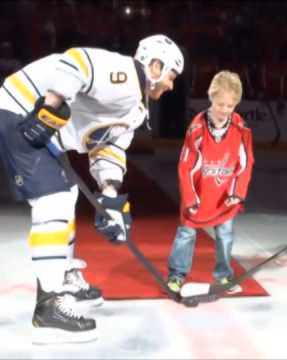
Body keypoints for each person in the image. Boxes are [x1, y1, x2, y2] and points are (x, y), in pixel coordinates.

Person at [0, 34, 184, 344]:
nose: (172, 85)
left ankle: (64, 280)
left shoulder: (135, 108)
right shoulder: (127, 76)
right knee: (54, 202)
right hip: (19, 111)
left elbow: (108, 148)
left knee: (66, 195)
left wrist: (109, 197)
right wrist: (50, 107)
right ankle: (48, 310)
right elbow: (76, 61)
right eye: (171, 74)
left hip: (44, 134)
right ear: (155, 65)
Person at [167, 70, 254, 295]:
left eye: (230, 106)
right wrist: (190, 198)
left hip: (225, 194)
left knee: (225, 234)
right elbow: (185, 166)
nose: (224, 110)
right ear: (211, 98)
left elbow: (245, 162)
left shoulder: (241, 128)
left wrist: (237, 192)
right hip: (200, 192)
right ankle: (177, 275)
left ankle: (224, 275)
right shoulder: (196, 129)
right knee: (186, 233)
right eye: (220, 104)